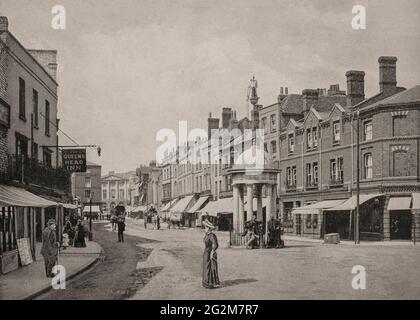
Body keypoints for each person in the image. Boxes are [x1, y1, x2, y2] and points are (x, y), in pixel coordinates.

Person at [202, 219, 220, 289]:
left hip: (209, 253)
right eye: (205, 227)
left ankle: (210, 283)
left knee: (209, 267)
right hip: (205, 253)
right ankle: (206, 282)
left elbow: (216, 244)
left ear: (209, 228)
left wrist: (213, 251)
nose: (205, 228)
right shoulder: (207, 235)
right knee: (206, 267)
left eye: (206, 227)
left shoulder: (212, 235)